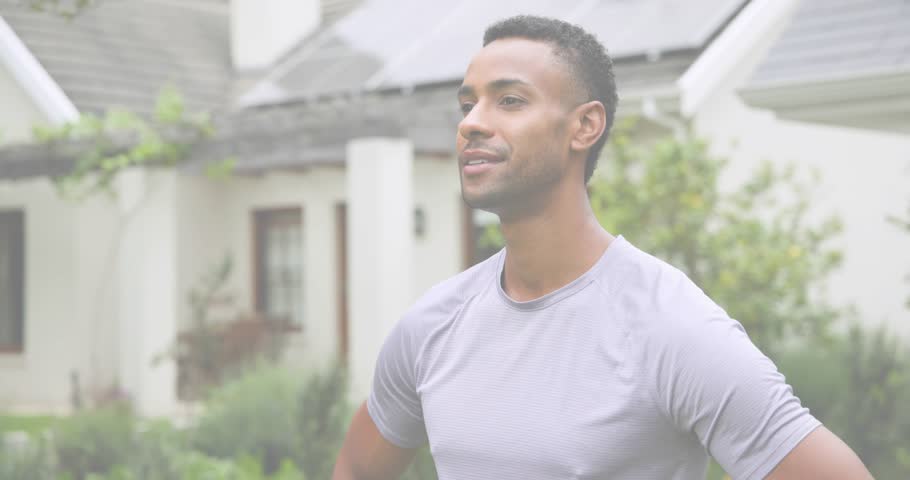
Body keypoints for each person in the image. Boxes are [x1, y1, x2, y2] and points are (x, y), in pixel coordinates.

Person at [332, 15, 872, 480]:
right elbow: (357, 468)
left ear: (585, 126)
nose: (472, 123)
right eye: (468, 104)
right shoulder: (433, 327)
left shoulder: (670, 329)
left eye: (509, 100)